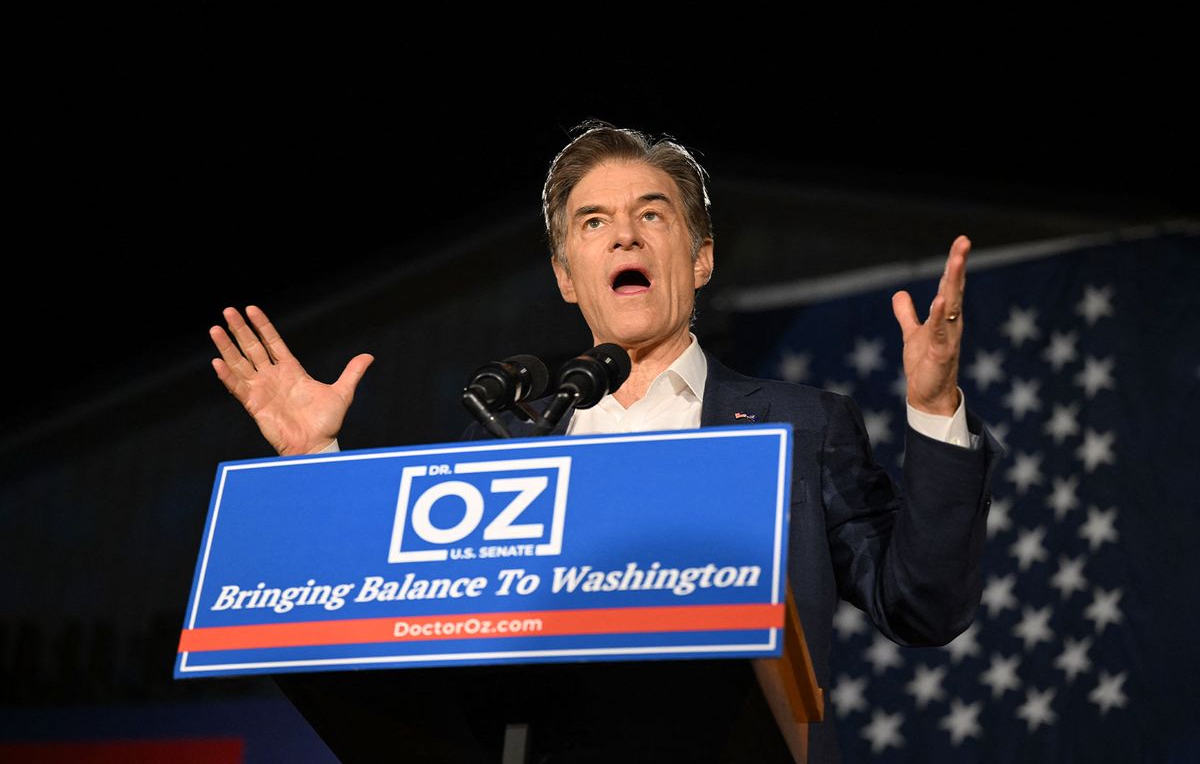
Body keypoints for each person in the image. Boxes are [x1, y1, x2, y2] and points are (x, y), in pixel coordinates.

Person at [209, 120, 1001, 762]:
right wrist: (313, 464)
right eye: (595, 222)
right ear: (565, 274)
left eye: (652, 214)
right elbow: (404, 622)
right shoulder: (505, 441)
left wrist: (934, 411)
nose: (625, 236)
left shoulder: (799, 425)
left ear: (699, 260)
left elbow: (923, 603)